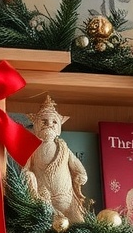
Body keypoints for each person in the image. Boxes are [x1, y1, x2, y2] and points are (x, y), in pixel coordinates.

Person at [22, 95, 88, 224]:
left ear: (59, 127)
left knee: (79, 224)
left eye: (54, 122)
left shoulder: (63, 147)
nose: (49, 125)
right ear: (36, 125)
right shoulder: (32, 148)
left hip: (66, 198)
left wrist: (82, 174)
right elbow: (26, 169)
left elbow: (75, 163)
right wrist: (29, 177)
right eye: (44, 121)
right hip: (44, 197)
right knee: (47, 223)